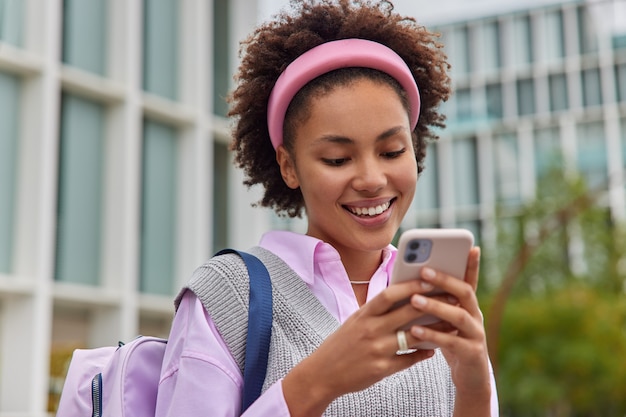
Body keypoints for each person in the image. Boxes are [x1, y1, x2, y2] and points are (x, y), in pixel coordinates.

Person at [155, 0, 498, 416]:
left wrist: (475, 386)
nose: (372, 178)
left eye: (392, 151)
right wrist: (320, 379)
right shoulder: (228, 294)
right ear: (288, 166)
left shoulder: (430, 304)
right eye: (337, 159)